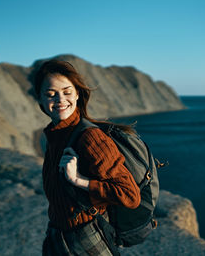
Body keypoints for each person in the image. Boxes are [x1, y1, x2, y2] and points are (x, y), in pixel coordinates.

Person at [34, 59, 141, 255]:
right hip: (59, 237)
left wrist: (79, 180)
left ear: (77, 94)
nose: (60, 100)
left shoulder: (90, 138)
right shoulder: (55, 135)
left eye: (67, 92)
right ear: (40, 99)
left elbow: (130, 195)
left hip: (85, 241)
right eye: (51, 94)